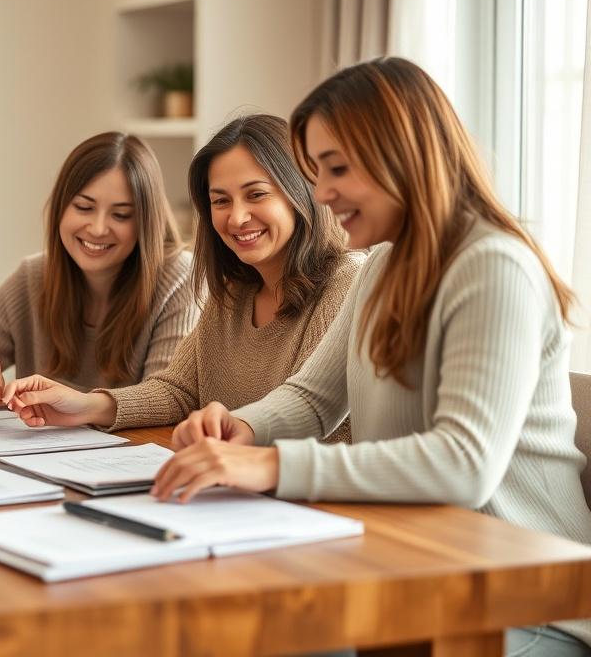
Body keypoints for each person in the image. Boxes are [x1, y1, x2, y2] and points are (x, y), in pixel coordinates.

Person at [153, 58, 591, 654]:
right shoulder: (385, 264)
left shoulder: (494, 267)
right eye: (317, 170)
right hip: (415, 569)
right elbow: (314, 398)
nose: (322, 192)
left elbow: (465, 464)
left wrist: (272, 467)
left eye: (336, 169)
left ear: (401, 154)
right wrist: (243, 428)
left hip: (528, 600)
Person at [2, 114, 361, 440]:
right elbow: (178, 390)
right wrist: (84, 405)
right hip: (241, 490)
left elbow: (307, 415)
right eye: (220, 201)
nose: (236, 218)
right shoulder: (234, 294)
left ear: (302, 193)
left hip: (314, 502)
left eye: (256, 195)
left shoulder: (346, 284)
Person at [0, 132, 199, 418]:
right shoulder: (33, 276)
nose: (98, 228)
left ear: (145, 223)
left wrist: (84, 406)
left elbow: (167, 397)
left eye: (121, 215)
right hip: (36, 456)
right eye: (84, 207)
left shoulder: (180, 277)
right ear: (61, 208)